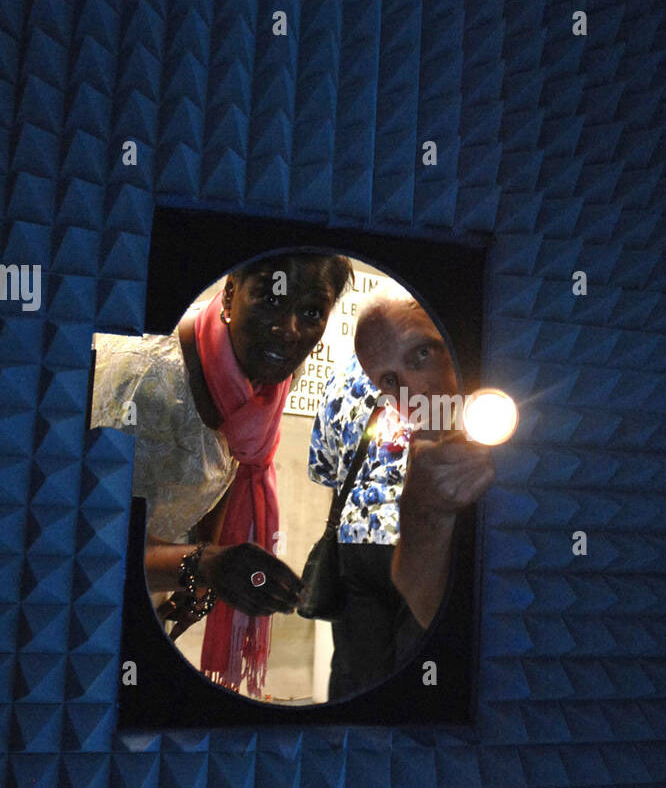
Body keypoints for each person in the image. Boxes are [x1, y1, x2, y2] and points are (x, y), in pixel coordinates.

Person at [90, 252, 354, 697]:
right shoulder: (143, 380)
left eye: (311, 312)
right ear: (231, 293)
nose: (288, 330)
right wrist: (203, 563)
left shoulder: (258, 390)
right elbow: (79, 544)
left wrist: (197, 571)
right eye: (271, 299)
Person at [309, 293, 495, 700]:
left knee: (359, 683)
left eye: (423, 354)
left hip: (357, 543)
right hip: (417, 539)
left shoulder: (339, 382)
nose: (413, 395)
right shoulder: (472, 383)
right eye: (390, 380)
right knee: (426, 675)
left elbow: (323, 469)